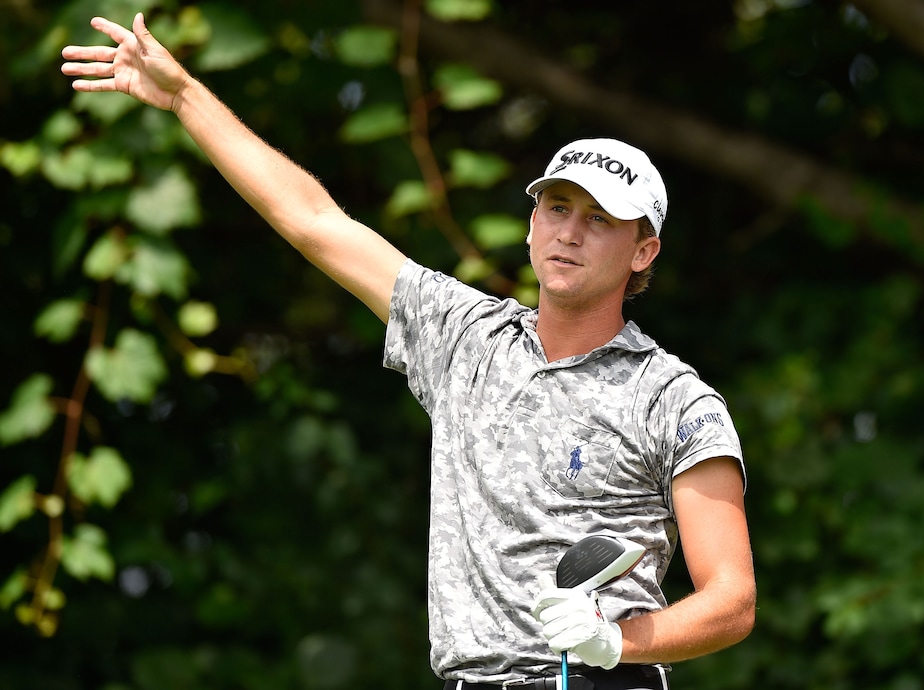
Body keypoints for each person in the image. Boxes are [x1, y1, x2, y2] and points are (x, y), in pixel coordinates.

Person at [62, 13, 756, 690]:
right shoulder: (464, 338)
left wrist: (616, 643)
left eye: (599, 219)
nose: (569, 233)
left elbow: (732, 600)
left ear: (644, 252)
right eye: (557, 208)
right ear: (531, 224)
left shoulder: (671, 397)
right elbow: (313, 221)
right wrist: (185, 95)